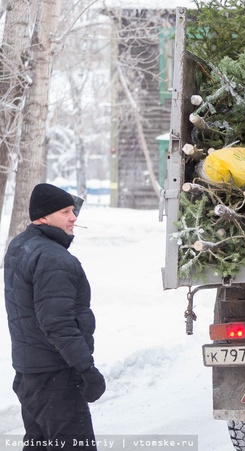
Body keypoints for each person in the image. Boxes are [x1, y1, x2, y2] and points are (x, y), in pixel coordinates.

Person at [4, 183, 106, 450]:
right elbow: (58, 323)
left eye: (73, 210)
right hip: (55, 377)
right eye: (65, 212)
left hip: (30, 374)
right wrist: (86, 369)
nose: (73, 218)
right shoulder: (52, 258)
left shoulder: (21, 246)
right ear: (42, 217)